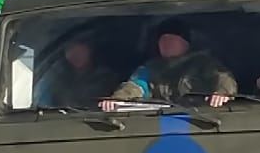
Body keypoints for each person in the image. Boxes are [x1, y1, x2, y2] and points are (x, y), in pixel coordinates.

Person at [101, 18, 236, 110]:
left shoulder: (203, 63)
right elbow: (136, 85)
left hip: (200, 120)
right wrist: (118, 99)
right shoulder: (151, 68)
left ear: (185, 43)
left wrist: (222, 94)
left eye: (171, 40)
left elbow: (224, 79)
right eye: (162, 40)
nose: (165, 44)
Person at [33, 38, 121, 109]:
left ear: (90, 49)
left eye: (80, 50)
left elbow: (121, 99)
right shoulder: (56, 79)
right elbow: (43, 104)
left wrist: (111, 103)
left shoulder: (106, 78)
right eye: (69, 49)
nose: (74, 54)